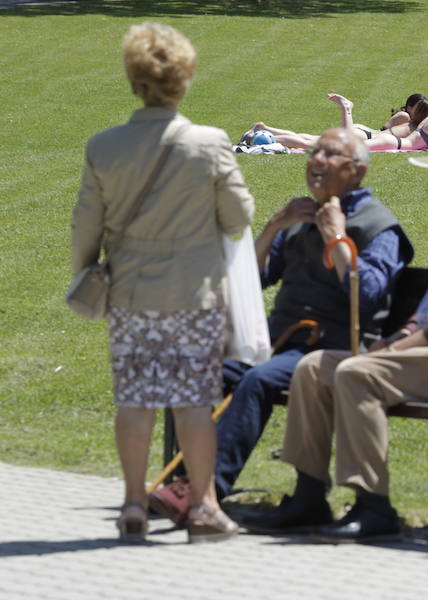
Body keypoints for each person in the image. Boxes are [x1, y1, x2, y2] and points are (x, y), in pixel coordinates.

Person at [243, 140, 428, 541]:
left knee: (358, 373)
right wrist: (397, 340)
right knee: (314, 368)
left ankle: (374, 506)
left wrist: (392, 349)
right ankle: (308, 497)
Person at [148, 127, 415, 528]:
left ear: (358, 171)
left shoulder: (379, 225)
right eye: (314, 152)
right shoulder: (300, 216)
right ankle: (184, 484)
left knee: (258, 380)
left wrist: (337, 237)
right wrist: (274, 226)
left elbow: (369, 295)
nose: (316, 161)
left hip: (333, 347)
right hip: (277, 343)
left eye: (330, 154)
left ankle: (201, 492)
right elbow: (251, 280)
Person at [71, 22, 255, 544]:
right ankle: (204, 508)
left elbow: (85, 225)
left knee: (135, 400)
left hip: (130, 293)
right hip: (195, 297)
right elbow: (238, 217)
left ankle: (133, 504)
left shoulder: (104, 146)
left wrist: (85, 275)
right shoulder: (209, 144)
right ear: (185, 78)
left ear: (134, 79)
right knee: (193, 402)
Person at [245, 93, 428, 148]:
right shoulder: (405, 117)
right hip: (365, 135)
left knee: (311, 138)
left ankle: (265, 129)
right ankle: (263, 140)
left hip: (364, 132)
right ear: (410, 107)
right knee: (311, 144)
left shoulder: (405, 117)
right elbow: (383, 131)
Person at [333, 93, 428, 151]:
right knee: (348, 147)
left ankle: (346, 108)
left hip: (391, 140)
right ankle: (346, 108)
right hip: (393, 142)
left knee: (344, 147)